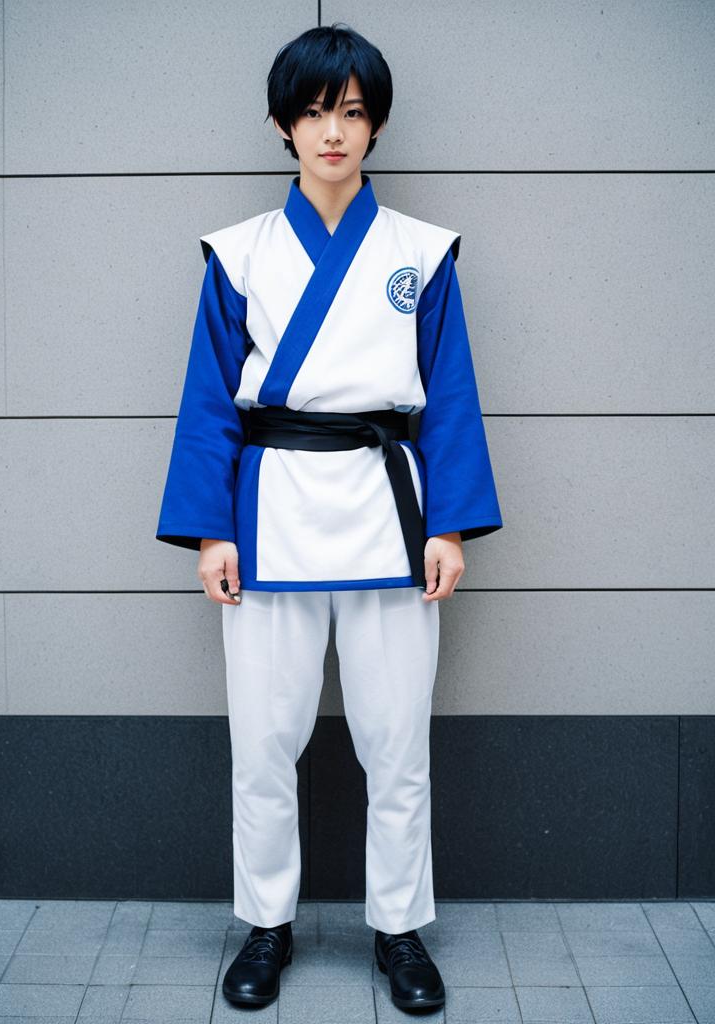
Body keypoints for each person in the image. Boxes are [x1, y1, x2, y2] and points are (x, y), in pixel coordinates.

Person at [155, 22, 503, 1013]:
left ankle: (398, 930)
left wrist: (450, 527)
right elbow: (209, 402)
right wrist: (211, 531)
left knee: (397, 743)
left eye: (351, 111)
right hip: (270, 515)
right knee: (264, 741)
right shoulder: (241, 254)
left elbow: (454, 396)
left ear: (376, 124)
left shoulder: (419, 255)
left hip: (392, 514)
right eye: (314, 112)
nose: (333, 131)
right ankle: (267, 924)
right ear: (282, 125)